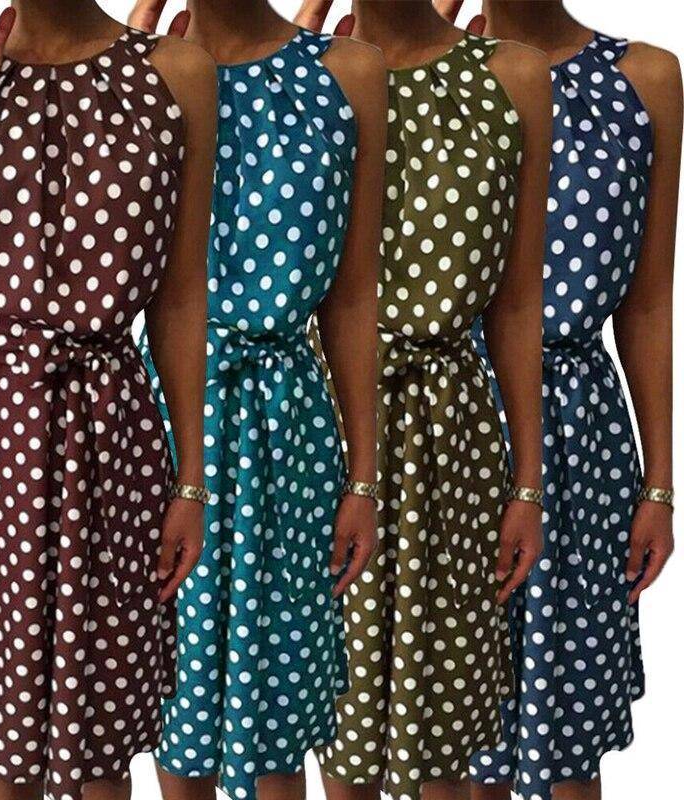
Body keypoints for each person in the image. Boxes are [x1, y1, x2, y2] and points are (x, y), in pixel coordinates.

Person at [0, 1, 217, 798]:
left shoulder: (176, 73)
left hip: (115, 435)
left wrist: (191, 482)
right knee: (7, 736)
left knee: (103, 734)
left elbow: (179, 298)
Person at [128, 2, 386, 799]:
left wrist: (364, 477)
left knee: (279, 709)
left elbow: (353, 297)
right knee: (175, 701)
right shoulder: (143, 68)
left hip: (290, 428)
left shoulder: (347, 71)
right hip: (166, 419)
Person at [295, 2, 548, 800]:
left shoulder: (513, 76)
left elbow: (518, 303)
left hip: (454, 436)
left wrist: (528, 486)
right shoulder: (310, 72)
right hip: (324, 427)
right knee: (334, 728)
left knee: (444, 733)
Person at [467, 4, 680, 800]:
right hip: (449, 416)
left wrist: (658, 486)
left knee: (567, 738)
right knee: (453, 732)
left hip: (580, 438)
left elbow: (648, 303)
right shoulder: (418, 72)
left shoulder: (645, 78)